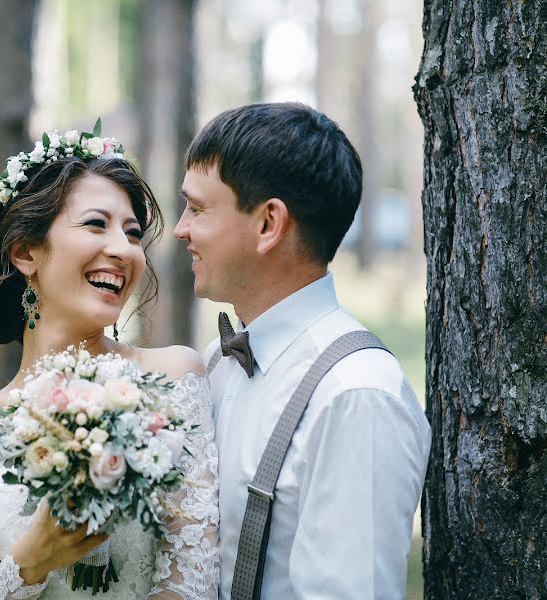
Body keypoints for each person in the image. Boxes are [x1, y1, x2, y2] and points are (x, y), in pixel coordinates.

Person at [0, 125, 220, 599]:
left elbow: (192, 580)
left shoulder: (173, 378)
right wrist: (30, 562)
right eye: (95, 224)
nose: (124, 249)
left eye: (132, 234)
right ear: (26, 251)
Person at [173, 102, 431, 599]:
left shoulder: (355, 395)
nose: (182, 229)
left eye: (199, 209)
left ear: (269, 224)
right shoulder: (214, 363)